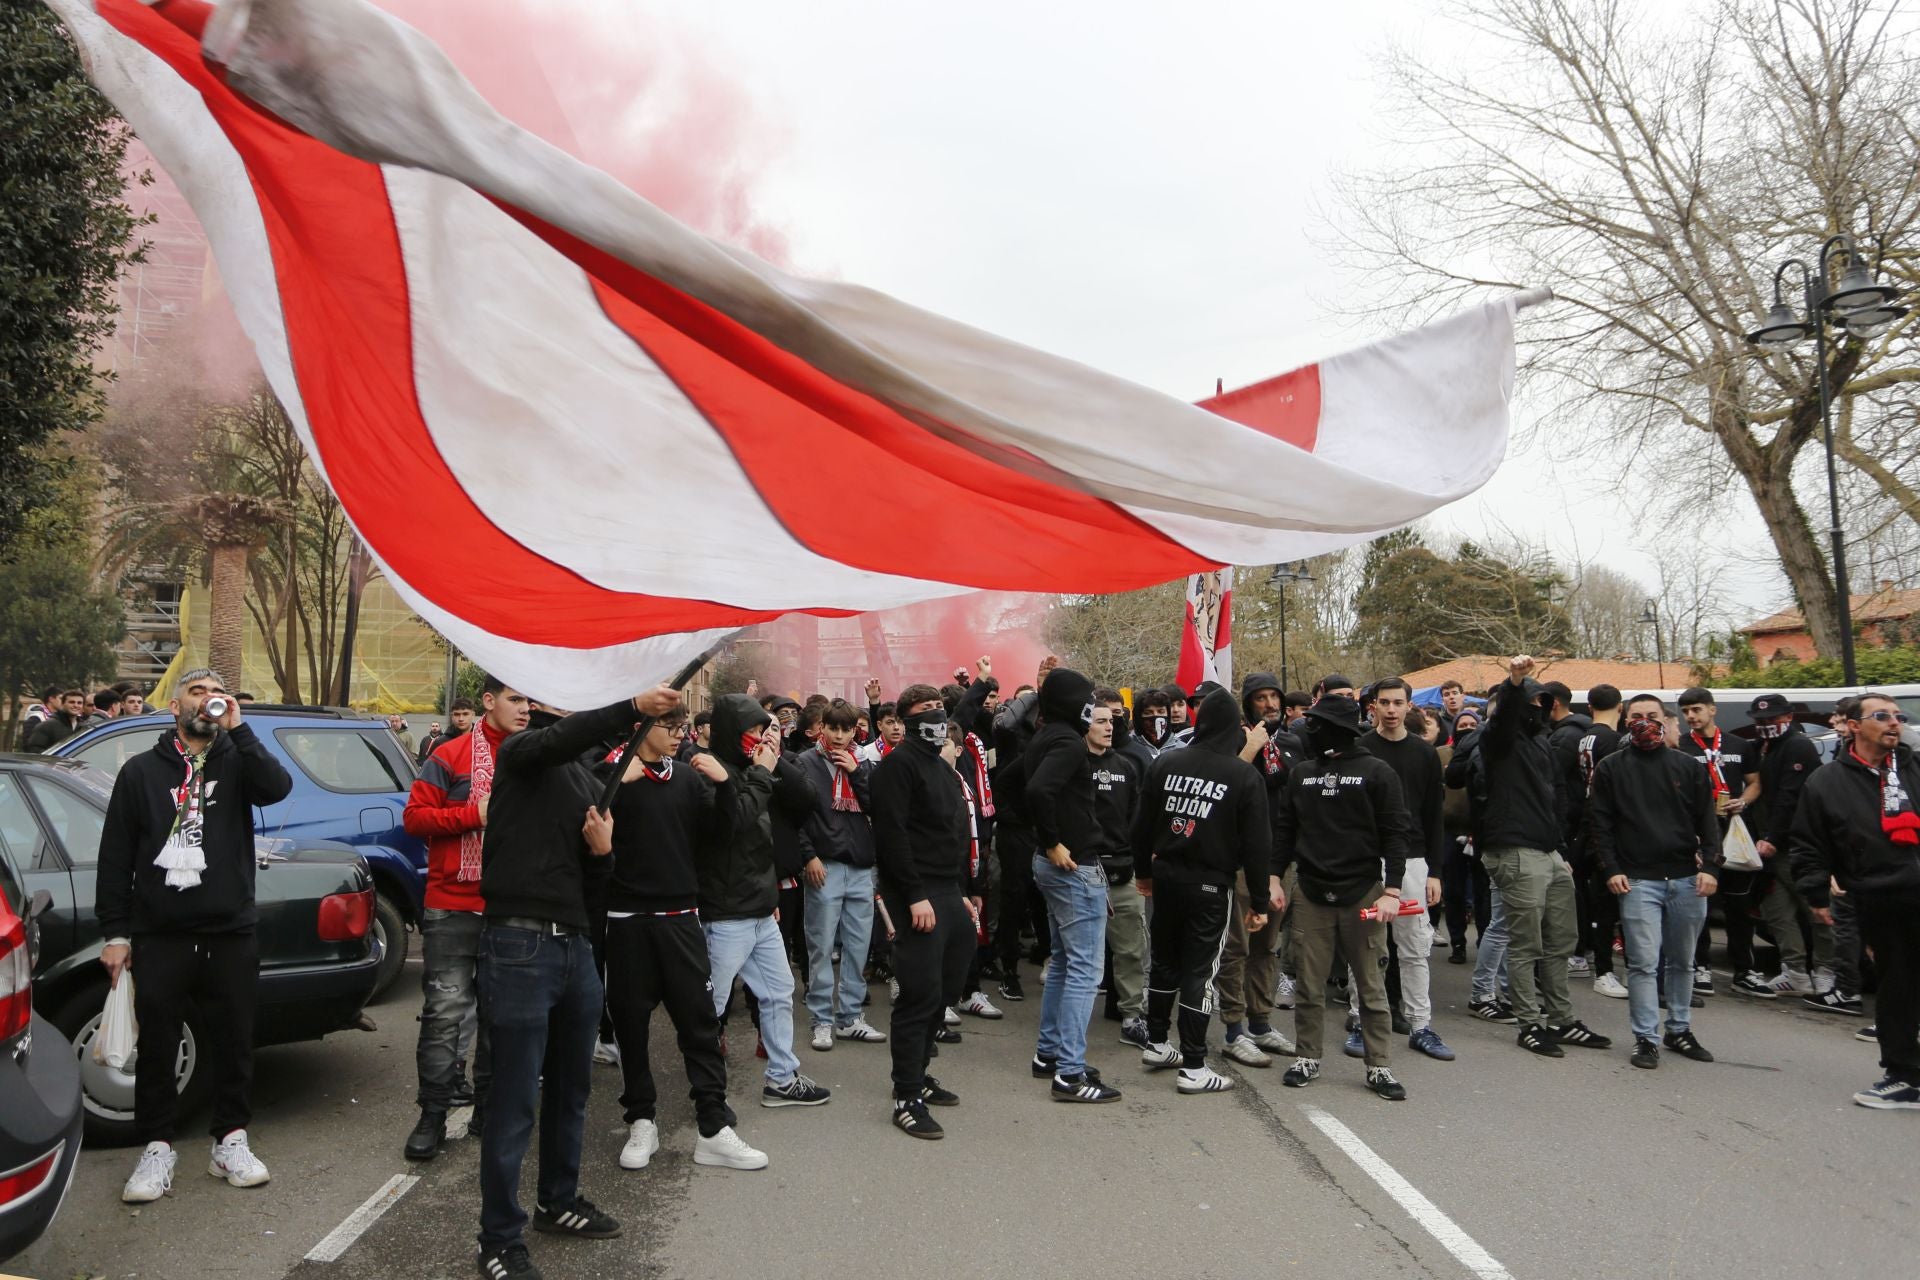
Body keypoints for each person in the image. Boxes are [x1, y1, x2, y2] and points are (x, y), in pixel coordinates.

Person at [473, 684, 679, 1279]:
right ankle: (498, 1238)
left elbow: (594, 888)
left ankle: (557, 1203)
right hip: (517, 943)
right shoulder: (524, 752)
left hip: (574, 947)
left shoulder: (589, 784)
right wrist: (634, 707)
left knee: (572, 1090)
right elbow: (566, 736)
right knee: (514, 1101)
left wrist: (603, 852)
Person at [99, 668, 295, 1204]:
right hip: (161, 931)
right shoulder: (140, 772)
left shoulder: (237, 761)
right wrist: (116, 932)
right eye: (197, 692)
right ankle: (157, 1146)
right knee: (159, 1042)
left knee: (234, 1039)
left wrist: (241, 727)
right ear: (173, 707)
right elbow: (116, 857)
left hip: (229, 928)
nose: (208, 700)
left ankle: (230, 1139)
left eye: (216, 692)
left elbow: (277, 789)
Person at [600, 707, 748, 1173]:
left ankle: (713, 1124)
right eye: (671, 728)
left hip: (682, 917)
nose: (679, 737)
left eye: (683, 728)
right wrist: (609, 788)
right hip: (625, 921)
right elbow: (580, 829)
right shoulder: (609, 776)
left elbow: (724, 834)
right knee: (631, 1028)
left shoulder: (688, 778)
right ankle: (641, 1119)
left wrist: (726, 786)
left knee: (701, 1025)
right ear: (641, 728)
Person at [400, 677, 528, 1162]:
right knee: (443, 1016)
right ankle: (432, 1114)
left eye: (528, 701)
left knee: (502, 1017)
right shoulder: (449, 754)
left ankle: (488, 1113)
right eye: (515, 699)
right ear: (489, 702)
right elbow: (414, 818)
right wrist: (472, 814)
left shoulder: (531, 755)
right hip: (452, 903)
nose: (524, 709)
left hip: (512, 904)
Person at [1132, 686, 1278, 1095]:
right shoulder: (1243, 775)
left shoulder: (1166, 763)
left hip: (1167, 878)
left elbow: (1141, 826)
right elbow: (1258, 845)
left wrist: (1144, 872)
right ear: (1234, 729)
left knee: (1164, 962)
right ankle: (1194, 1065)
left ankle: (1158, 1043)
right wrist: (1260, 903)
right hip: (1210, 885)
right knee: (1200, 972)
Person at [1273, 694, 1410, 1099]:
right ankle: (1307, 1057)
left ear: (1339, 729)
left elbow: (1396, 833)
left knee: (1370, 985)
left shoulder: (1377, 772)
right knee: (1309, 985)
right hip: (1311, 891)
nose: (1309, 729)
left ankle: (1379, 1065)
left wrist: (1393, 890)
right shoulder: (1302, 774)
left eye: (1317, 724)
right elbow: (1285, 831)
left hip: (1363, 892)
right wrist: (1272, 878)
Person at [697, 697, 830, 1111]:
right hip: (726, 911)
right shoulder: (705, 770)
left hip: (758, 904)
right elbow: (734, 822)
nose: (759, 738)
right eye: (753, 730)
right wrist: (759, 771)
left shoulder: (756, 767)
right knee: (709, 1006)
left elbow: (804, 797)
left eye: (765, 729)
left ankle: (782, 1078)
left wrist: (774, 757)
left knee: (778, 991)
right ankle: (706, 1096)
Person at [1790, 692, 1920, 1109]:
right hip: (1881, 895)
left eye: (1897, 716)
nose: (1893, 723)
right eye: (1881, 716)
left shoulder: (1913, 768)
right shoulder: (1827, 782)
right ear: (1853, 725)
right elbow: (1808, 842)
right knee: (1898, 986)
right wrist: (1815, 892)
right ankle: (1904, 1077)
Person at [1590, 694, 1720, 1070]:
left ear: (1665, 719)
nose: (1643, 722)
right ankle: (1645, 1037)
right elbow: (1601, 823)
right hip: (1637, 881)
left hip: (1686, 879)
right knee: (1644, 963)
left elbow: (1707, 821)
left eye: (1651, 715)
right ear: (1623, 720)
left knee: (1683, 961)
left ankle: (1679, 1029)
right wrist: (1611, 868)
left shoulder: (1689, 767)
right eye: (1636, 716)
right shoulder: (1611, 768)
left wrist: (1711, 867)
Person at [870, 684, 977, 1138]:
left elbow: (955, 833)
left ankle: (922, 1069)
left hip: (949, 892)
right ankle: (906, 1094)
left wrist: (967, 892)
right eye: (925, 709)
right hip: (915, 895)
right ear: (905, 718)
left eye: (940, 707)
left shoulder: (941, 768)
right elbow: (891, 837)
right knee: (918, 994)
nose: (936, 713)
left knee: (946, 989)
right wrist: (914, 895)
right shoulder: (897, 766)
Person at [1024, 666, 1122, 1103]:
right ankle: (1069, 1073)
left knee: (1064, 963)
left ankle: (1050, 1054)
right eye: (1085, 699)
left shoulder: (1045, 737)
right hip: (1071, 866)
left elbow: (1016, 784)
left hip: (1061, 867)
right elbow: (1038, 791)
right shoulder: (1065, 741)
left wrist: (1042, 842)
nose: (1093, 708)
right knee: (1085, 970)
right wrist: (1052, 842)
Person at [1477, 656, 1583, 1057]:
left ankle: (1561, 1019)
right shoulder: (1498, 739)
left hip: (1549, 852)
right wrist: (1514, 682)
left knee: (1561, 940)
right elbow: (1504, 719)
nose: (1539, 707)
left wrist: (1561, 849)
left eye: (1543, 702)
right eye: (1532, 701)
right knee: (1526, 945)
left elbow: (1556, 795)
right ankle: (1530, 1024)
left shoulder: (1542, 742)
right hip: (1515, 850)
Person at [1356, 679, 1454, 1062]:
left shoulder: (1424, 754)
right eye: (1385, 703)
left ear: (1410, 705)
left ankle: (1420, 1024)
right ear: (1374, 707)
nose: (1392, 709)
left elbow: (1434, 816)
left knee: (1415, 946)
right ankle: (1358, 1019)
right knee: (1364, 945)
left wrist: (1435, 871)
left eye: (1398, 702)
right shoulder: (1360, 750)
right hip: (1368, 861)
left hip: (1414, 861)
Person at [1215, 671, 1299, 1066]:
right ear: (1248, 704)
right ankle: (1233, 1029)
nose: (1269, 704)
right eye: (1260, 698)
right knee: (1238, 947)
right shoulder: (1237, 739)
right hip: (1242, 860)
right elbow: (1222, 784)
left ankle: (1261, 1023)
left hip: (1279, 862)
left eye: (1273, 696)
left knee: (1268, 947)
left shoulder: (1293, 742)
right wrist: (1250, 747)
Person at [794, 699, 888, 1049]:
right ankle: (821, 1018)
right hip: (825, 865)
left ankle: (850, 1017)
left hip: (862, 865)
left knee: (858, 945)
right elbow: (797, 816)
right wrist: (809, 856)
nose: (838, 735)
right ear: (821, 729)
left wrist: (855, 771)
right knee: (820, 945)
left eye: (845, 728)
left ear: (855, 731)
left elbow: (878, 807)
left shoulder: (863, 762)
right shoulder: (805, 762)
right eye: (832, 727)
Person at [1743, 693, 1844, 1008]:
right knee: (1778, 910)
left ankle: (1827, 970)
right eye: (1760, 721)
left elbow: (1791, 796)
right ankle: (1795, 971)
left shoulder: (1797, 746)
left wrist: (1773, 836)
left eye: (1772, 719)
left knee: (1816, 909)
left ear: (1787, 717)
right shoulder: (1761, 748)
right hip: (1765, 847)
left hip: (1796, 844)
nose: (1765, 725)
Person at [1674, 686, 1762, 998]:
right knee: (1702, 905)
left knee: (1739, 906)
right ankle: (1701, 966)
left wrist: (1743, 801)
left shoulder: (1739, 744)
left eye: (1696, 710)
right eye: (1685, 712)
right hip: (1700, 835)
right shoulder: (1681, 747)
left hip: (1734, 834)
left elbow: (1754, 782)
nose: (1691, 717)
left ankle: (1745, 970)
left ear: (1713, 709)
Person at [1088, 692, 1147, 1046]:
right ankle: (1068, 1022)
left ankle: (1131, 1016)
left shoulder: (1126, 766)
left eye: (1112, 721)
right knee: (1079, 958)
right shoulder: (1071, 764)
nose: (1109, 727)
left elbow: (1137, 820)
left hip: (1124, 874)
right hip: (1082, 873)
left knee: (1131, 949)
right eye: (1100, 721)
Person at [24, 688, 88, 752]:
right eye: (71, 702)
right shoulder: (46, 726)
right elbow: (34, 749)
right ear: (63, 704)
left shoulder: (85, 727)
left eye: (79, 703)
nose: (76, 705)